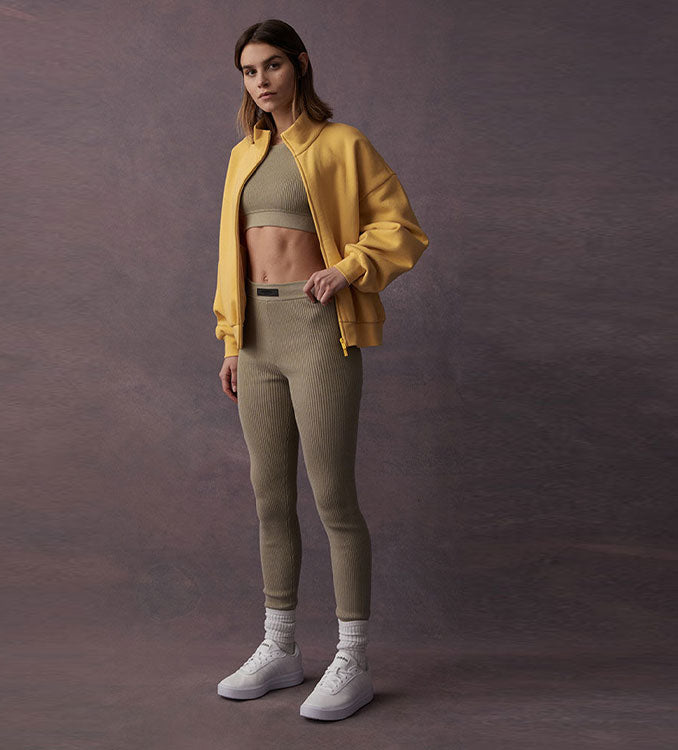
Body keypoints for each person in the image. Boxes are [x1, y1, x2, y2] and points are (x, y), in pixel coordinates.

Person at [213, 19, 429, 721]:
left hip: (316, 329)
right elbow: (232, 256)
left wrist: (349, 269)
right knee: (269, 498)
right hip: (256, 337)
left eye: (272, 65)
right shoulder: (243, 155)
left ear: (300, 65)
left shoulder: (341, 144)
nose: (261, 81)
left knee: (333, 497)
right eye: (249, 71)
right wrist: (230, 341)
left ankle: (352, 658)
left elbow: (399, 227)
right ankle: (280, 646)